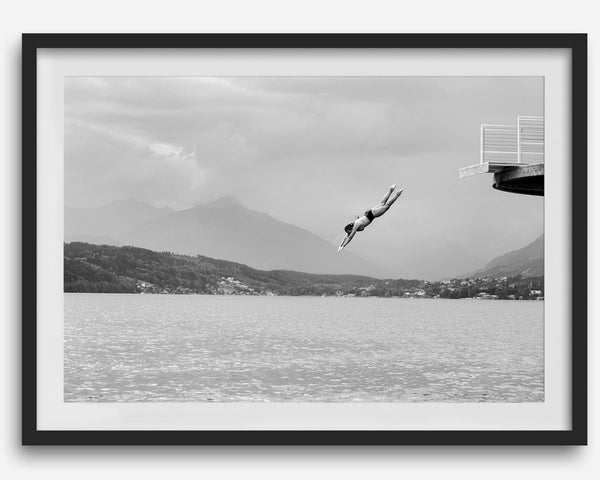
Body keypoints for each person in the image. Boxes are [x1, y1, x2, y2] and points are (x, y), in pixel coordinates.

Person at [338, 184, 403, 252]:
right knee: (382, 203)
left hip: (371, 215)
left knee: (386, 206)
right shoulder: (353, 225)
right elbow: (346, 236)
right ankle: (390, 190)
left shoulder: (355, 226)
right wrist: (340, 245)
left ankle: (397, 194)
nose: (349, 233)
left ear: (350, 229)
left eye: (349, 232)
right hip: (368, 213)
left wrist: (344, 246)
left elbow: (350, 237)